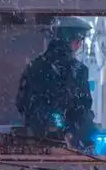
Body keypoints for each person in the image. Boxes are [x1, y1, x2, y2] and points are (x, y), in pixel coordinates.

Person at [16, 17, 95, 146]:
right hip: (71, 144)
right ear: (72, 41)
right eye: (79, 41)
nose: (79, 45)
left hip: (36, 143)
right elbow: (83, 105)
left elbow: (22, 103)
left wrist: (40, 126)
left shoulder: (34, 67)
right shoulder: (78, 70)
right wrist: (70, 131)